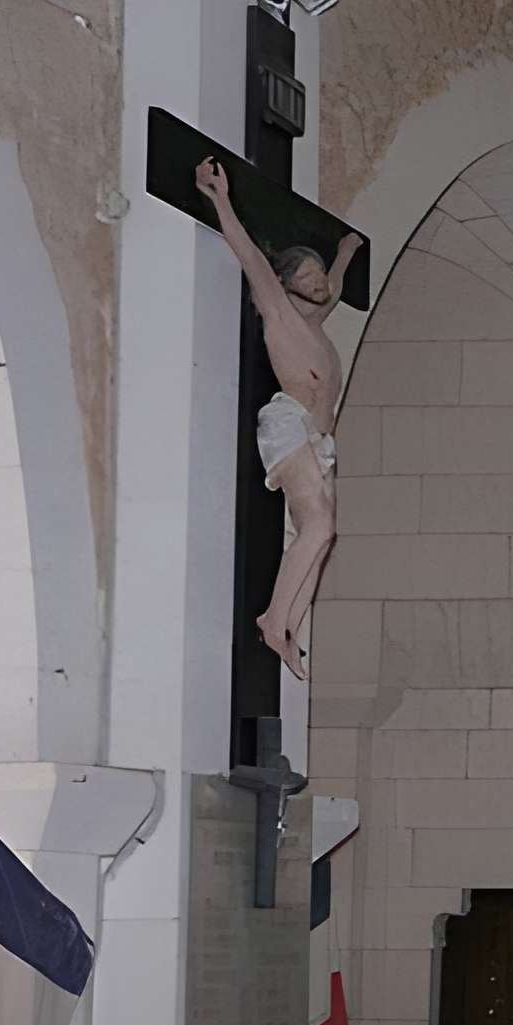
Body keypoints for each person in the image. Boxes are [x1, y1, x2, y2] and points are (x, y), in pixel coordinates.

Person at [194, 156, 360, 679]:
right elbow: (249, 257)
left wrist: (346, 253)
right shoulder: (279, 312)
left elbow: (332, 285)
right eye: (306, 275)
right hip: (289, 425)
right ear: (287, 285)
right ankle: (272, 619)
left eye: (317, 274)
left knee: (324, 536)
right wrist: (219, 197)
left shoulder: (314, 323)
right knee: (320, 524)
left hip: (321, 439)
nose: (318, 281)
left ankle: (289, 627)